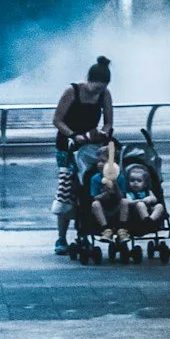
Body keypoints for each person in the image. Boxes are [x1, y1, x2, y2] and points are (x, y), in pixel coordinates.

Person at [52, 57, 114, 255]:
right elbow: (57, 120)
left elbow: (108, 121)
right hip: (69, 145)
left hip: (91, 146)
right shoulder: (72, 91)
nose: (96, 92)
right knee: (68, 190)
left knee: (89, 186)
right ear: (88, 80)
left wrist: (104, 133)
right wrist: (73, 135)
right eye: (94, 88)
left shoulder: (104, 94)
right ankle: (61, 236)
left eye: (100, 89)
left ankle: (86, 226)